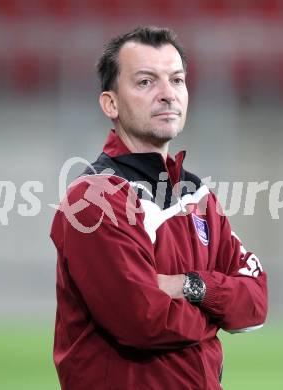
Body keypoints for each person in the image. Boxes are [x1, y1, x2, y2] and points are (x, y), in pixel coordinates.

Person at [51, 26, 268, 390]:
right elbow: (143, 321)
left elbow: (256, 303)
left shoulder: (197, 194)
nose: (168, 95)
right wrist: (216, 316)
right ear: (111, 104)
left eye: (177, 80)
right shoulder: (93, 198)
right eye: (146, 82)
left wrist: (192, 286)